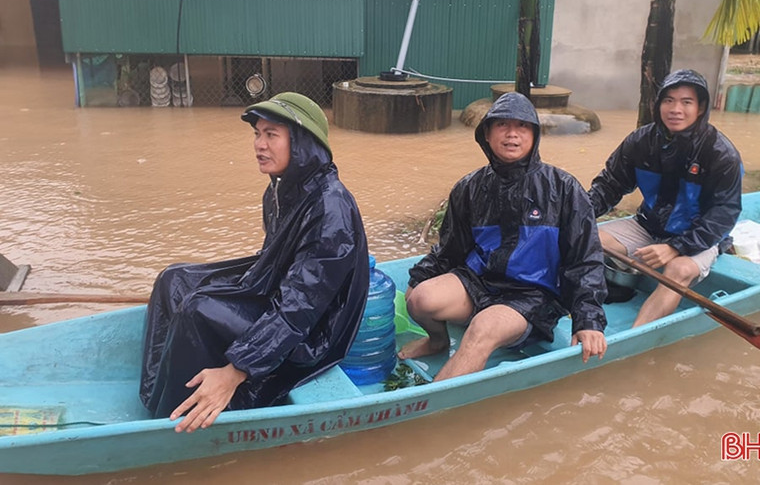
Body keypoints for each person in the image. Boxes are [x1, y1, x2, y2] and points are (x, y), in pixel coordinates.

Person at [139, 92, 369, 433]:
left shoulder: (330, 210)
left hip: (315, 332)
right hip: (280, 293)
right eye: (257, 134)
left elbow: (300, 307)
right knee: (174, 281)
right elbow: (273, 264)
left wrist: (236, 370)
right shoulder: (280, 190)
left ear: (303, 143)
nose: (259, 145)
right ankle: (156, 398)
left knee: (198, 309)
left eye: (271, 135)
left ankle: (173, 422)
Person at [398, 92, 608, 381]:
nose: (512, 134)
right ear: (486, 133)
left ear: (535, 134)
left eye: (522, 126)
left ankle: (426, 411)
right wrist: (418, 280)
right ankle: (438, 341)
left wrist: (588, 320)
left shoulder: (564, 188)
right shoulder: (469, 187)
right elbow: (450, 250)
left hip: (532, 295)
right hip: (480, 283)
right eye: (502, 125)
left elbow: (585, 260)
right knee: (420, 300)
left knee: (482, 328)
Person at [588, 69, 743, 327]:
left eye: (686, 102)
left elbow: (724, 214)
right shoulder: (640, 141)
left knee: (677, 271)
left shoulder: (721, 154)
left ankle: (633, 341)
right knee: (584, 238)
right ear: (658, 104)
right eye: (668, 100)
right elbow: (608, 185)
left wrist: (676, 248)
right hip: (648, 226)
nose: (676, 109)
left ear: (701, 108)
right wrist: (576, 215)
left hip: (698, 237)